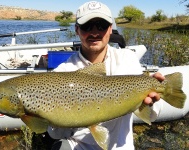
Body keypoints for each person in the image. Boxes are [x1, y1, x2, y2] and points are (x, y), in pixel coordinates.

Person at [47, 1, 164, 150]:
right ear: (77, 30)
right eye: (87, 26)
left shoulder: (127, 60)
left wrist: (152, 102)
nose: (95, 32)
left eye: (101, 26)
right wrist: (51, 119)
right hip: (79, 145)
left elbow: (152, 115)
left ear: (110, 29)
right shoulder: (63, 72)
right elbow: (56, 134)